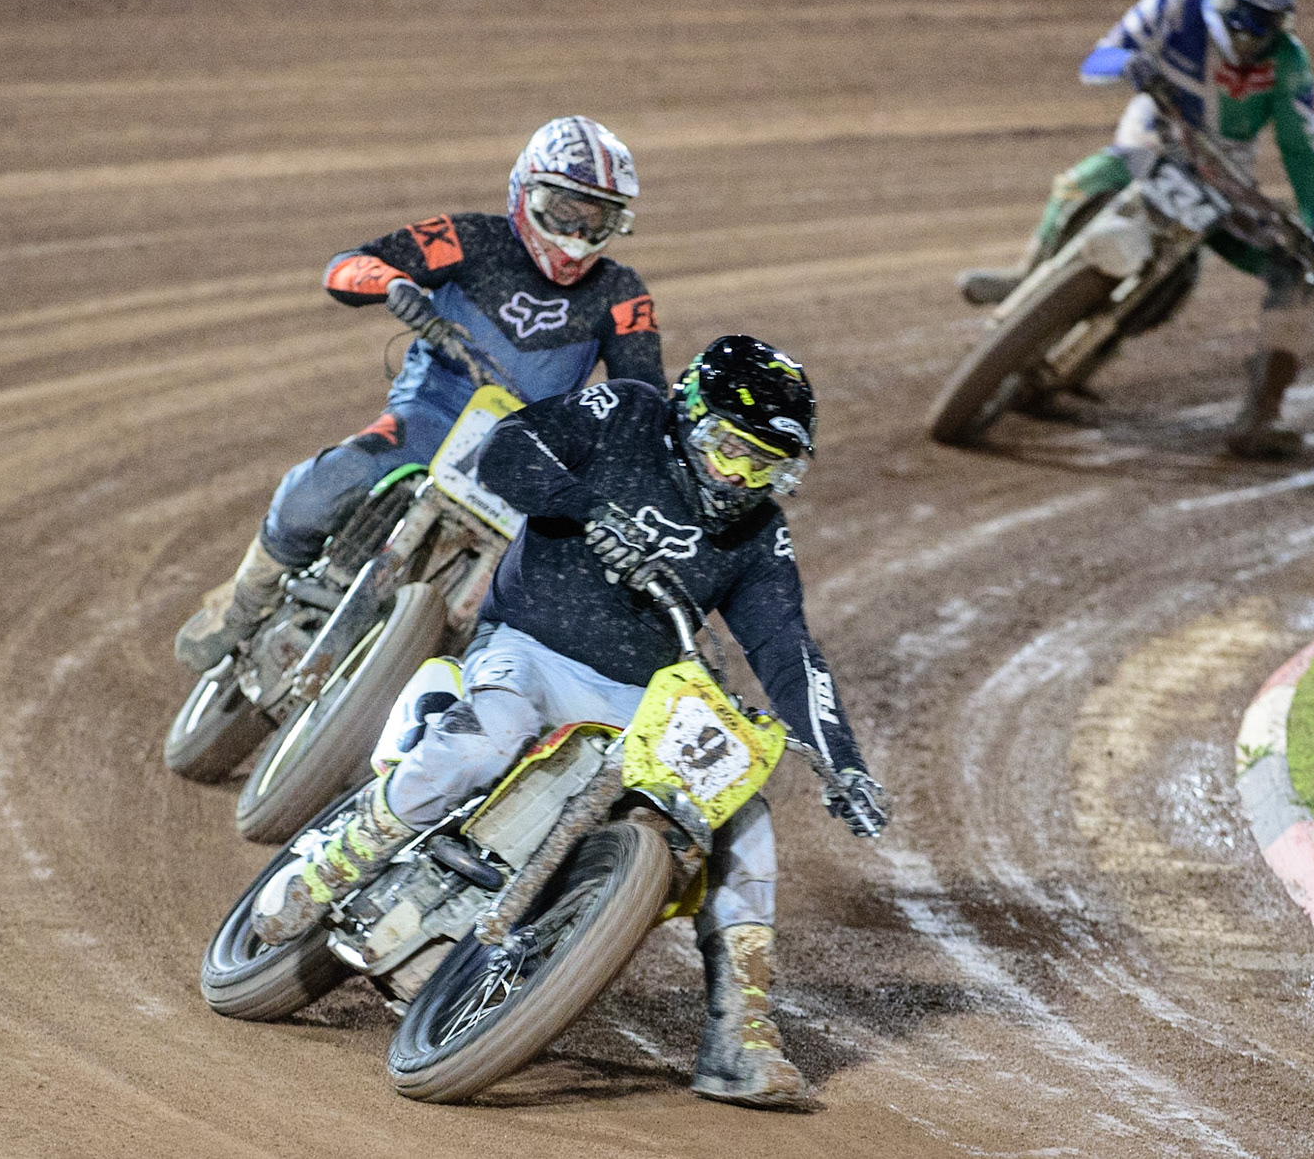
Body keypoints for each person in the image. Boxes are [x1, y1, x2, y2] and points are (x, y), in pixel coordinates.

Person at [253, 335, 890, 1109]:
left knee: (744, 818)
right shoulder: (627, 412)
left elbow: (788, 647)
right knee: (488, 736)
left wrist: (844, 763)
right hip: (530, 644)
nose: (737, 477)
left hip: (643, 699)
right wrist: (590, 509)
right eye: (729, 448)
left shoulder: (760, 533)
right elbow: (505, 451)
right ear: (690, 416)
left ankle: (739, 1034)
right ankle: (335, 865)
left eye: (762, 465)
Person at [176, 115, 664, 671]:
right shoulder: (472, 238)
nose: (575, 235)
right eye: (563, 211)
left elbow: (644, 397)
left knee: (532, 629)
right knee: (319, 489)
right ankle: (244, 600)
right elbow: (346, 266)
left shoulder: (624, 294)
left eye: (595, 219)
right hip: (431, 415)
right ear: (525, 191)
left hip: (528, 458)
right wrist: (393, 284)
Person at [956, 0, 1314, 458]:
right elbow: (1096, 61)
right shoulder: (1171, 6)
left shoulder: (1289, 62)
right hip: (1152, 144)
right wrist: (1128, 63)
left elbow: (1303, 150)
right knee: (1076, 185)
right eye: (1243, 16)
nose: (1252, 33)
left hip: (1225, 180)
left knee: (1298, 272)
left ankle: (1262, 413)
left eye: (1267, 21)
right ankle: (1028, 274)